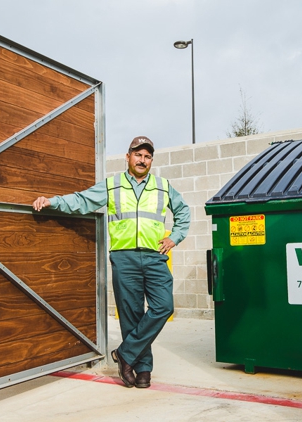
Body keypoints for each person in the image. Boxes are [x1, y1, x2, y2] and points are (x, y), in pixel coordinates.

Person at [32, 136, 190, 388]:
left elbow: (184, 212)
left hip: (155, 256)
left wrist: (175, 237)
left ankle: (125, 354)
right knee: (131, 315)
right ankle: (143, 368)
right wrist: (53, 201)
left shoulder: (163, 186)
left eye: (147, 156)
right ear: (127, 157)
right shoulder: (112, 185)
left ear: (151, 160)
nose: (142, 160)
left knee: (163, 307)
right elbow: (82, 201)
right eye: (138, 154)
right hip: (124, 257)